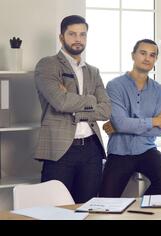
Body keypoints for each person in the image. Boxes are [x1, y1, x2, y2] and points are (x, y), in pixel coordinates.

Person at [34, 15, 111, 203]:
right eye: (72, 34)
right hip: (60, 150)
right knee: (55, 210)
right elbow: (60, 102)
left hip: (91, 149)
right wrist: (92, 100)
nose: (78, 39)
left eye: (82, 34)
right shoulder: (47, 65)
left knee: (88, 208)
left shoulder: (93, 71)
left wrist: (74, 104)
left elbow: (106, 110)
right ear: (61, 37)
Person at [100, 39, 161, 197]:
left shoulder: (159, 91)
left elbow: (160, 131)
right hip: (119, 152)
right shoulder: (115, 86)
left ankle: (140, 213)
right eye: (143, 53)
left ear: (155, 60)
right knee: (107, 199)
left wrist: (124, 126)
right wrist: (153, 121)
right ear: (133, 55)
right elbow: (120, 123)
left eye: (152, 55)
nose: (147, 58)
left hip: (146, 150)